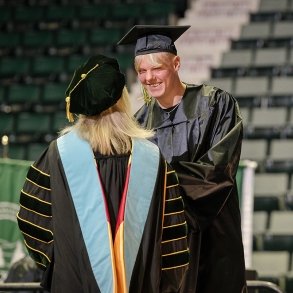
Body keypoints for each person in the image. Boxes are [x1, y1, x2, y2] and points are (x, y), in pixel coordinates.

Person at [16, 54, 189, 293]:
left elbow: (30, 219)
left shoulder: (57, 155)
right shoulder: (153, 159)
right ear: (122, 100)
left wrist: (66, 262)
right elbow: (173, 241)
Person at [117, 25, 247, 293]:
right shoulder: (139, 125)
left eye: (157, 68)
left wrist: (160, 180)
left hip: (214, 240)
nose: (149, 77)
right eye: (142, 71)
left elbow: (218, 171)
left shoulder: (216, 105)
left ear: (176, 63)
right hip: (166, 247)